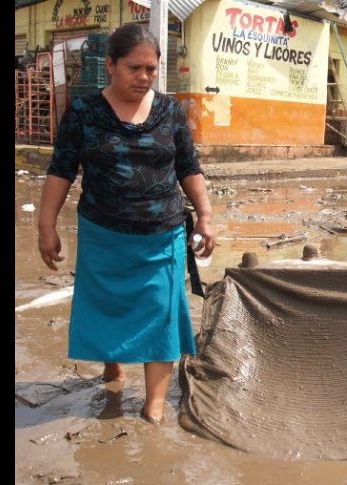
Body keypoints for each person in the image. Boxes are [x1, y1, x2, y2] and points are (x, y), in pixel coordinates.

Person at [37, 23, 216, 425]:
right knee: (109, 307)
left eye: (151, 69)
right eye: (135, 68)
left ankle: (153, 406)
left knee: (161, 314)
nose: (144, 77)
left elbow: (188, 167)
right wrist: (45, 226)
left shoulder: (169, 111)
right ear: (111, 65)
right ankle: (113, 365)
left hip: (163, 234)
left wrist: (205, 215)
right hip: (103, 234)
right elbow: (61, 170)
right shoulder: (84, 113)